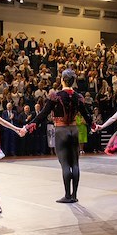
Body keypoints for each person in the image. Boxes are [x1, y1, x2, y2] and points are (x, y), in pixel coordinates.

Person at [25, 69, 92, 203]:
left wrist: (30, 125)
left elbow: (43, 114)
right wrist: (94, 125)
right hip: (74, 129)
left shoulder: (55, 96)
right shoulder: (78, 97)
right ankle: (74, 195)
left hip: (61, 130)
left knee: (65, 164)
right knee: (75, 163)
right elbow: (86, 115)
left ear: (62, 80)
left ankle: (67, 195)